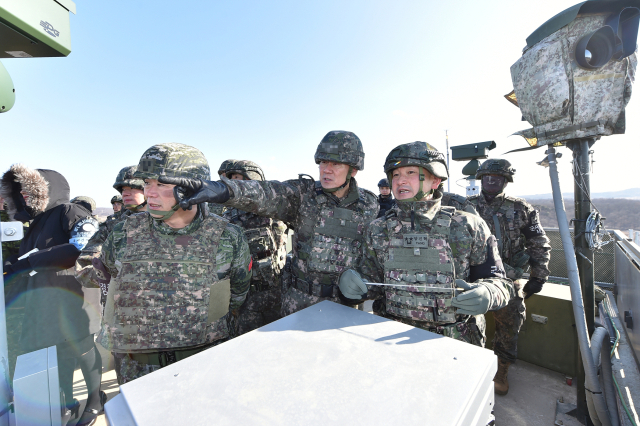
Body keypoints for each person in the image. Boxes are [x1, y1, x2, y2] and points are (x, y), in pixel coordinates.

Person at [158, 131, 380, 316]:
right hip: (299, 304)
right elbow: (263, 193)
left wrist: (366, 286)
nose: (326, 169)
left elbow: (376, 257)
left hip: (347, 307)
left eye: (335, 164)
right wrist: (222, 190)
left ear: (353, 169)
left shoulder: (369, 205)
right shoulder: (302, 195)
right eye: (322, 162)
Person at [87, 143, 251, 385]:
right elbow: (111, 276)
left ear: (193, 187)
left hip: (203, 366)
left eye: (161, 184)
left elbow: (237, 296)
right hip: (137, 370)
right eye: (147, 183)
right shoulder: (124, 232)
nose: (150, 192)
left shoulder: (228, 236)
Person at [338, 142, 514, 348]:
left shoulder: (467, 225)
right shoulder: (378, 229)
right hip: (389, 338)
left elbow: (500, 283)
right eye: (395, 175)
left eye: (410, 172)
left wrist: (489, 292)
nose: (400, 180)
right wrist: (353, 288)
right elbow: (372, 284)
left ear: (435, 180)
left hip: (455, 342)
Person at [1, 164, 104, 426]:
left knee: (81, 348)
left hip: (71, 292)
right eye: (20, 192)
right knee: (58, 352)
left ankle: (94, 400)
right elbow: (25, 258)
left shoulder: (68, 210)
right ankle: (68, 403)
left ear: (44, 190)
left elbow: (82, 246)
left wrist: (25, 262)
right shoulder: (36, 222)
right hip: (43, 296)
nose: (23, 196)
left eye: (28, 190)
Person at [467, 158, 551, 395]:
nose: (491, 182)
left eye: (497, 179)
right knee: (465, 321)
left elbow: (538, 243)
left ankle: (501, 370)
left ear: (506, 181)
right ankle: (469, 364)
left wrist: (538, 276)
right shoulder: (466, 206)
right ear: (480, 180)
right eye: (487, 178)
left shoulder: (521, 208)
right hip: (472, 276)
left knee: (510, 323)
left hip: (508, 278)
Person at [222, 160, 288, 333]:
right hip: (247, 300)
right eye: (233, 179)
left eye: (240, 178)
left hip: (279, 293)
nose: (237, 183)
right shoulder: (228, 218)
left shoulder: (275, 210)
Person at [75, 165, 147, 313]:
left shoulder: (171, 224)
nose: (125, 194)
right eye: (122, 190)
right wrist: (112, 276)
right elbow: (83, 267)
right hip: (118, 311)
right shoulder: (113, 226)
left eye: (132, 188)